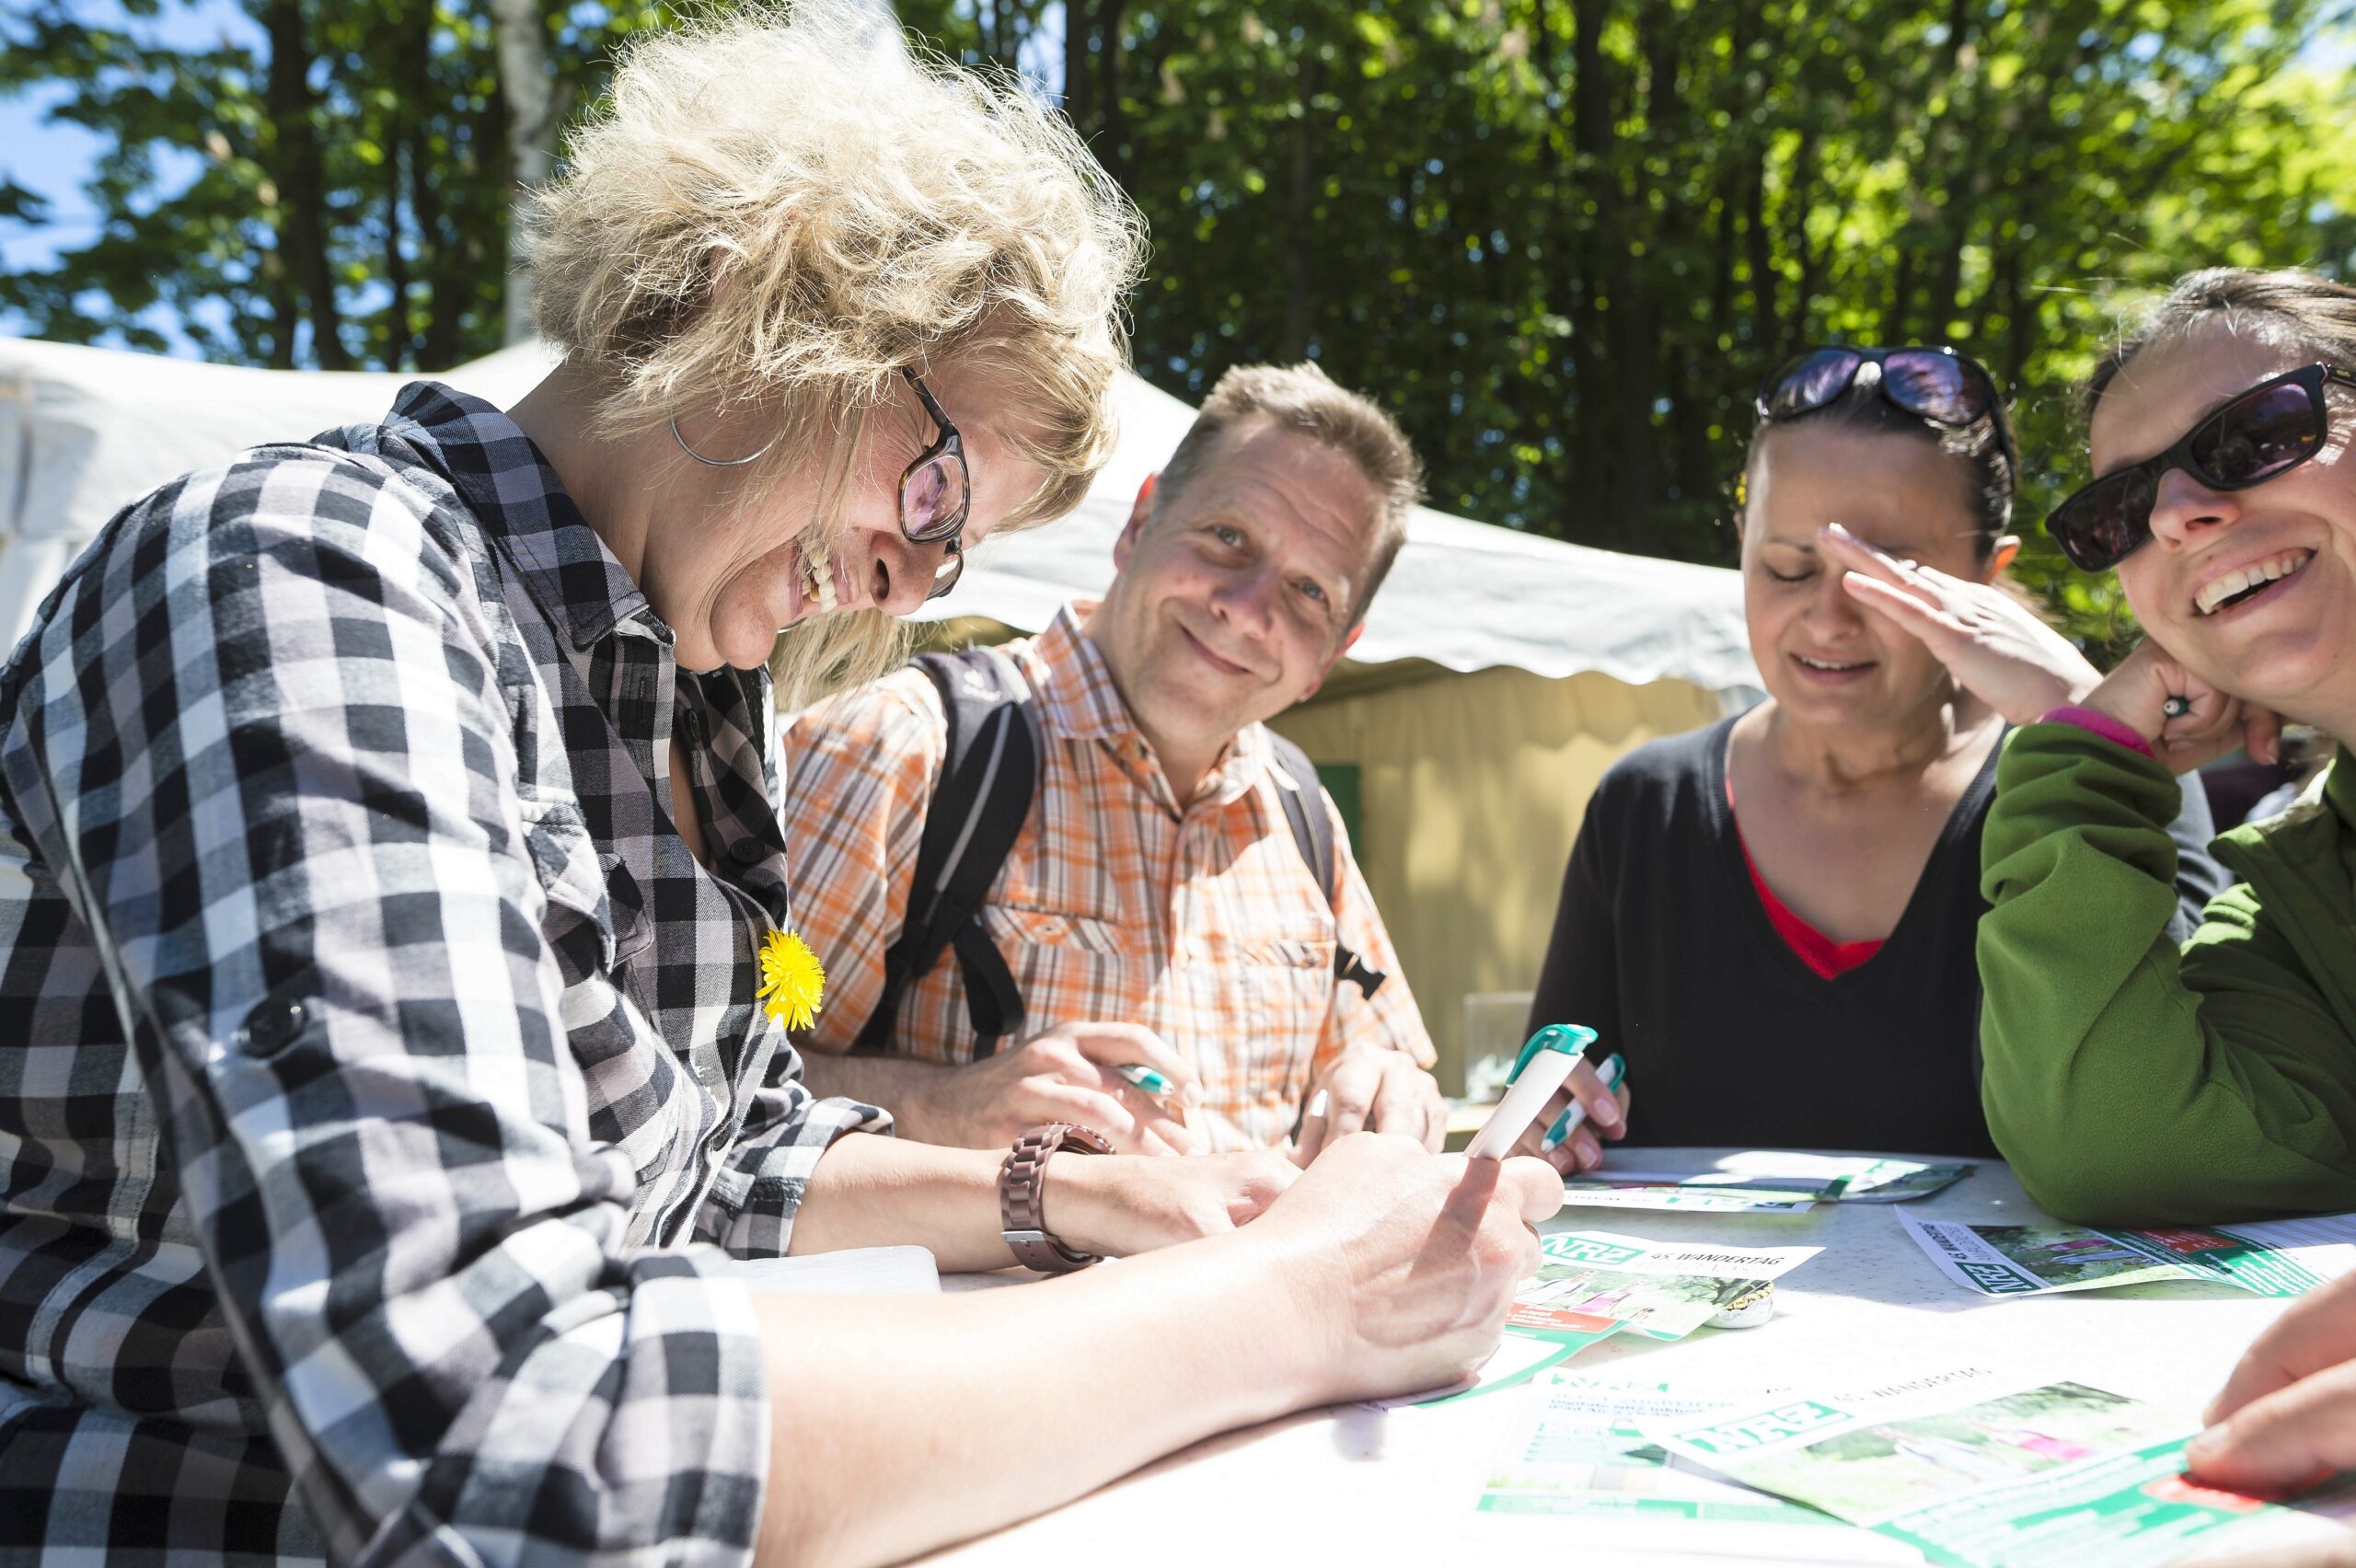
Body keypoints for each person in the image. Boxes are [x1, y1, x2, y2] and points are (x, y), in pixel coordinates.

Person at [0, 14, 1564, 1565]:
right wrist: (1288, 1302)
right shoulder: (315, 578)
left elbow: (726, 1162)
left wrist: (1067, 1198)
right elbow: (504, 1441)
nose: (913, 575)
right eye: (935, 484)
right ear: (773, 290)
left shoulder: (681, 702)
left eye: (958, 550)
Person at [1522, 344, 2223, 1163]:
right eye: (1786, 568)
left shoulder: (2100, 783)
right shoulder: (1645, 806)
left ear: (1985, 580)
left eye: (1884, 578)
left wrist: (2082, 724)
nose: (1827, 621)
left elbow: (2191, 1105)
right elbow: (1558, 1102)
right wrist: (1546, 1122)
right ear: (1741, 548)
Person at [782, 363, 1454, 1158]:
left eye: (1310, 591)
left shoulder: (1303, 816)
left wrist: (1392, 1092)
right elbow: (703, 1089)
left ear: (1329, 659)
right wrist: (942, 1108)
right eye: (1228, 537)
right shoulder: (903, 744)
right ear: (1138, 524)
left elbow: (1379, 1072)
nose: (1245, 608)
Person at [1877, 267, 2356, 1226]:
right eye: (2120, 513)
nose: (2176, 513)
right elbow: (2116, 1150)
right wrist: (2088, 751)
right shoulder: (2291, 907)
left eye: (2254, 436)